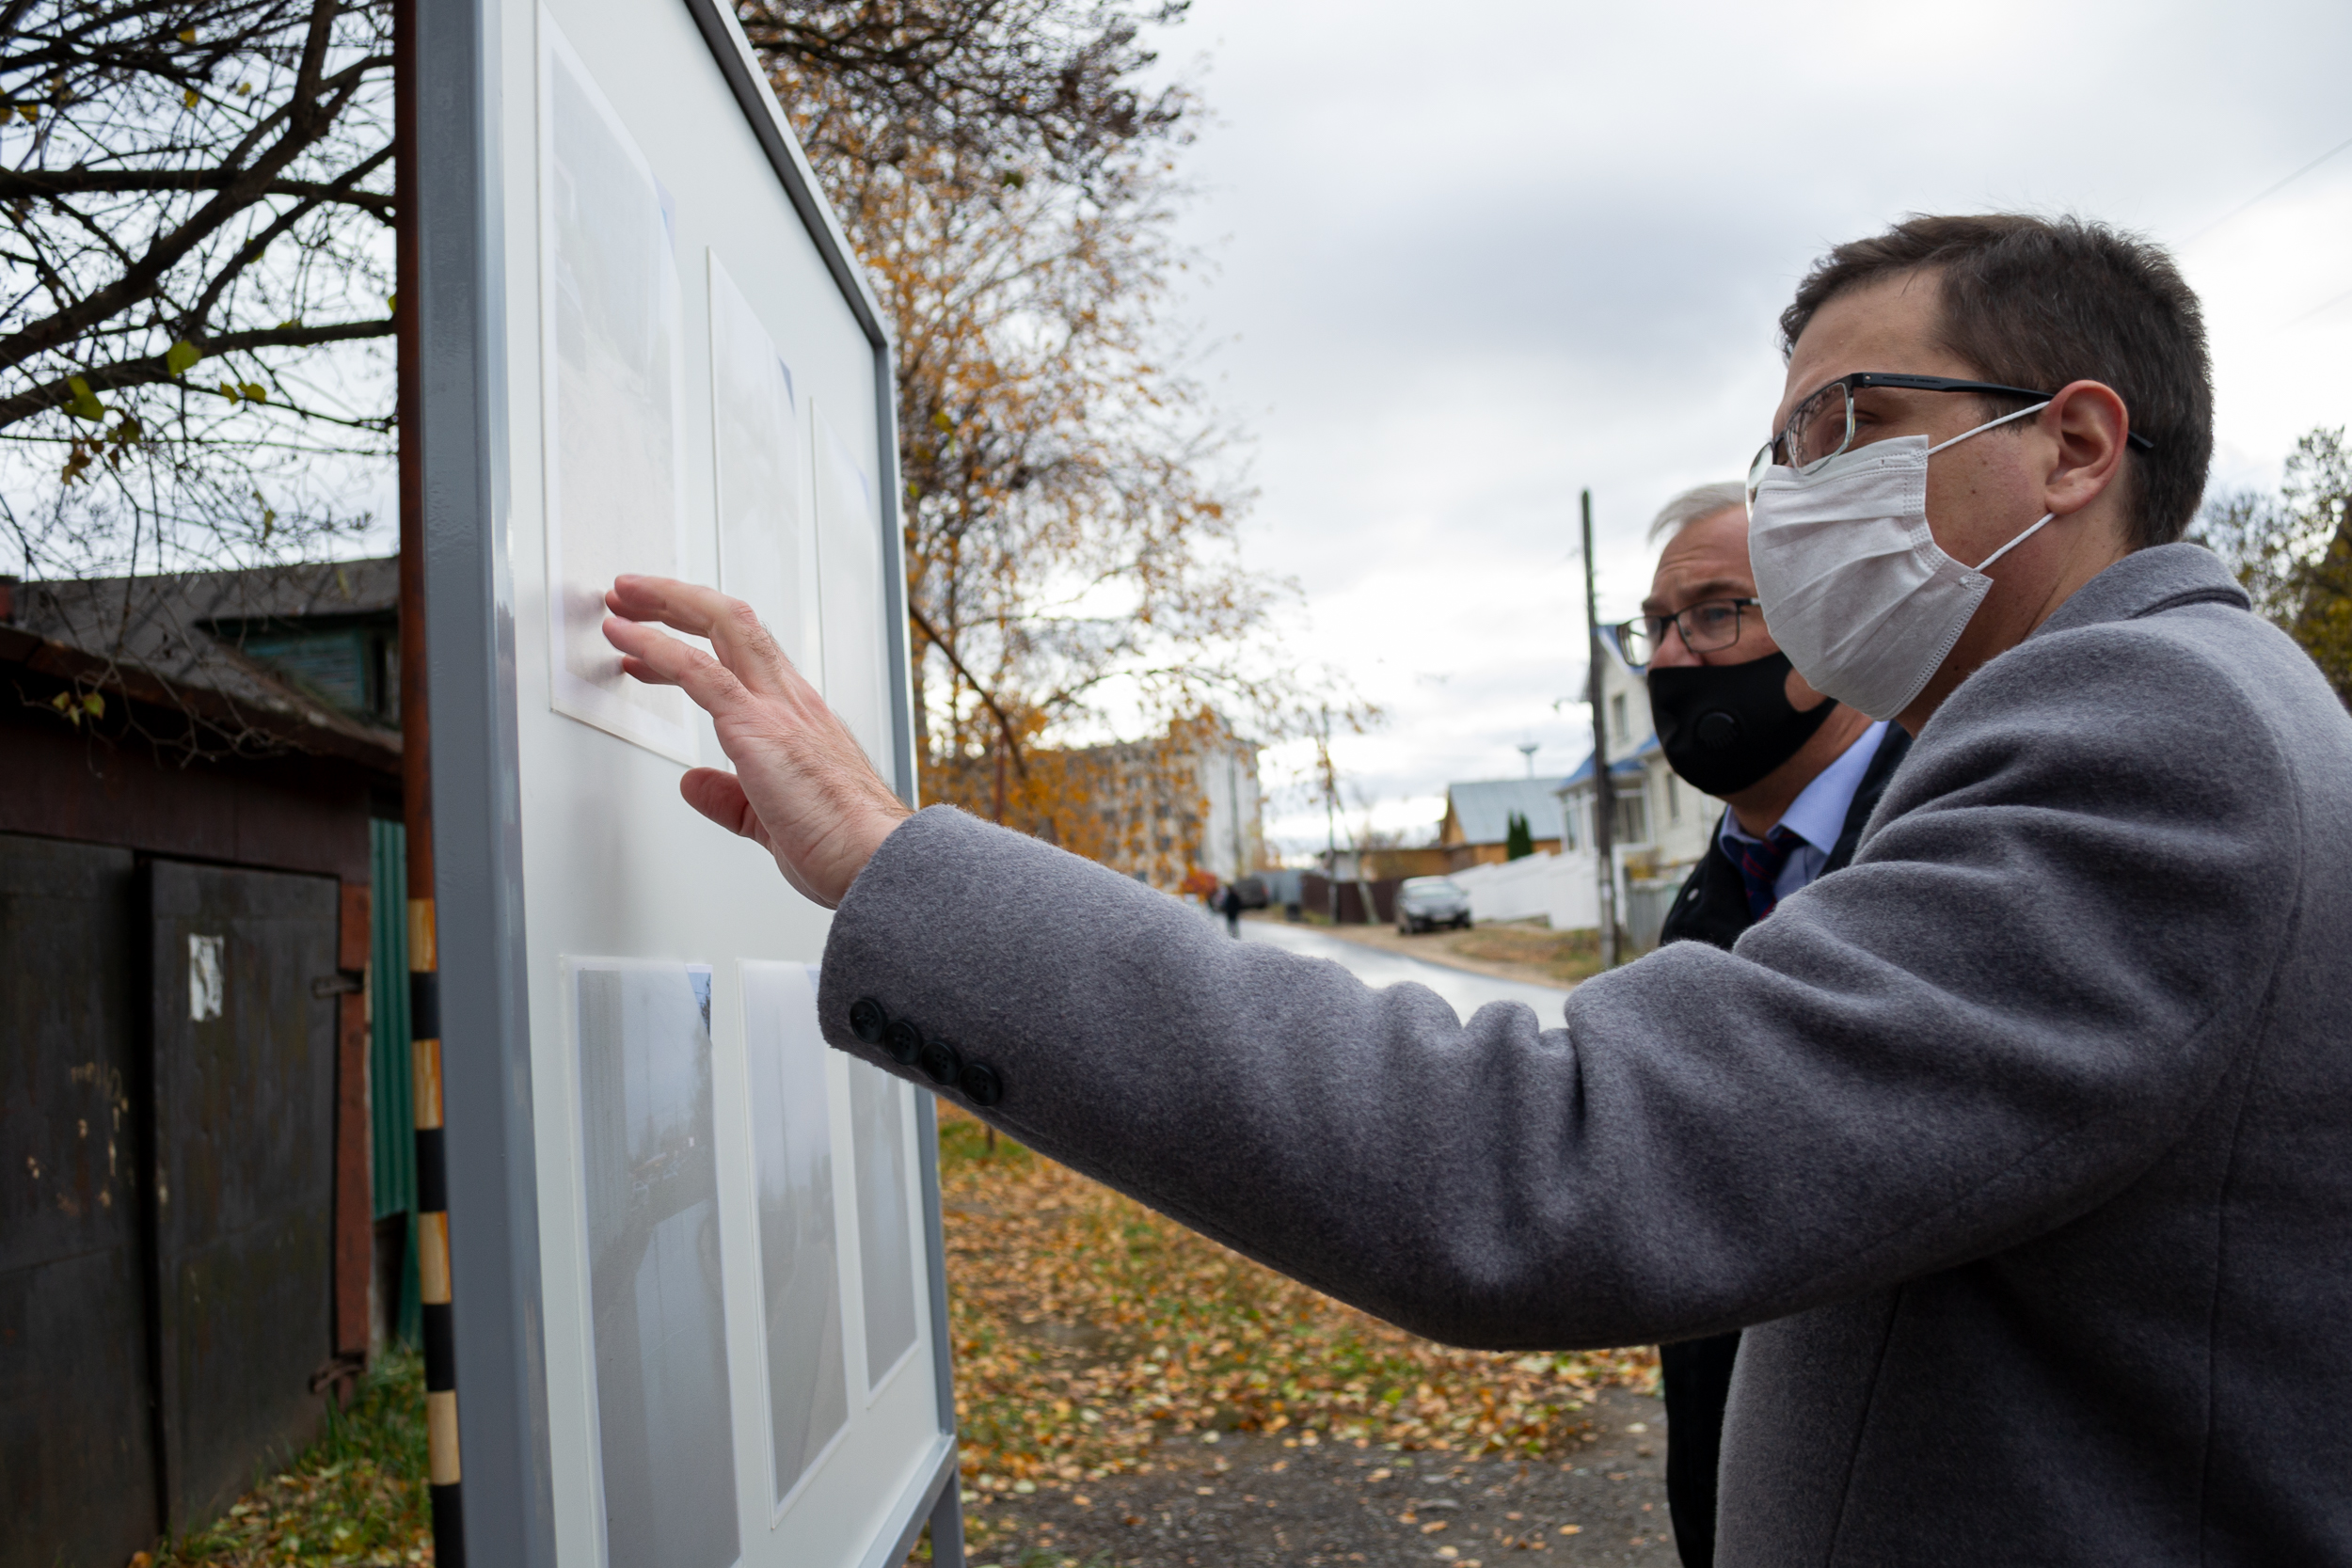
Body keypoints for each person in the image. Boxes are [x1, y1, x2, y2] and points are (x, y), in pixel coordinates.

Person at [604, 214, 2352, 1563]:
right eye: (1782, 449)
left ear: (2075, 443)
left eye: (1854, 423)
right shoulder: (2161, 713)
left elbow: (1548, 1162)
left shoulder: (2150, 733)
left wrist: (892, 861)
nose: (1796, 496)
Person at [1625, 481, 1912, 1568]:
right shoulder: (1708, 899)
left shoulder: (1944, 841)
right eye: (1654, 625)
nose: (1669, 657)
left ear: (1829, 619)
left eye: (1713, 613)